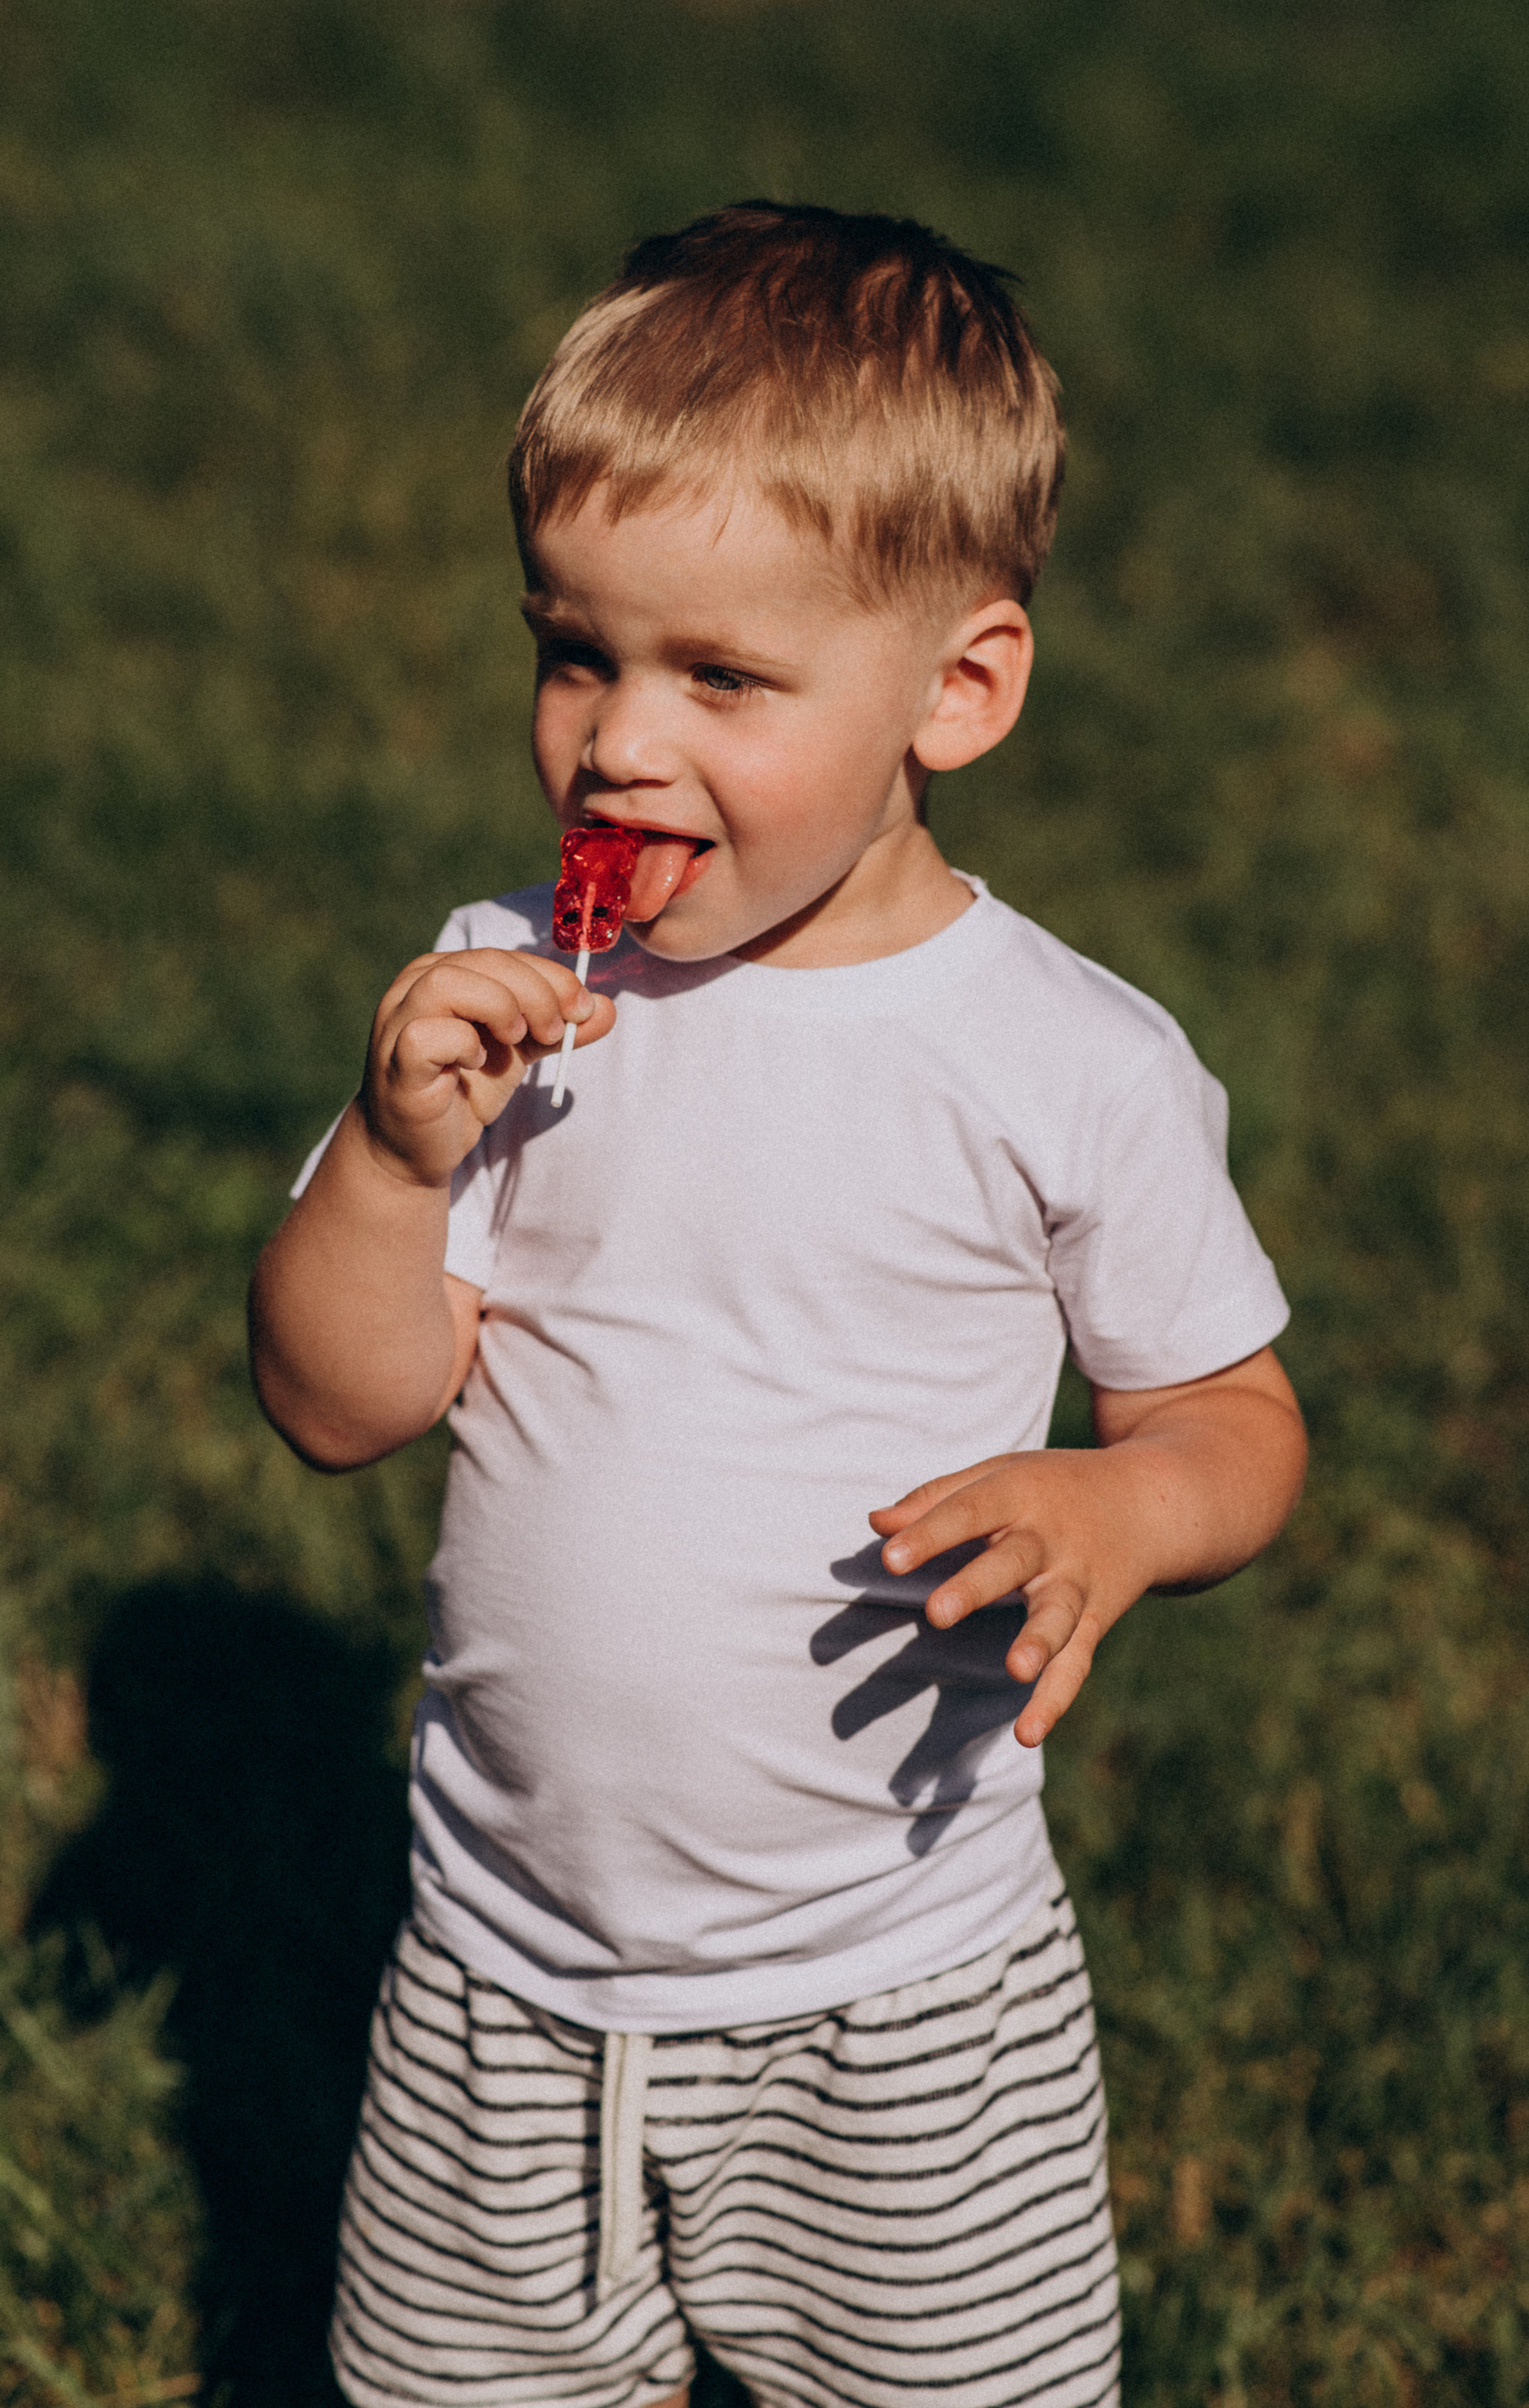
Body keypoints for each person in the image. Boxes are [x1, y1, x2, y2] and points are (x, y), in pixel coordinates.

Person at [249, 202, 1307, 2408]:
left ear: (960, 689)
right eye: (576, 652)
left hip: (896, 1994)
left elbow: (1235, 1417)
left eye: (722, 678)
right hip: (501, 1974)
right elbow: (339, 1406)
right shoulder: (505, 999)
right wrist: (392, 1160)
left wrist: (1120, 1514)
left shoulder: (1062, 1062)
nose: (620, 742)